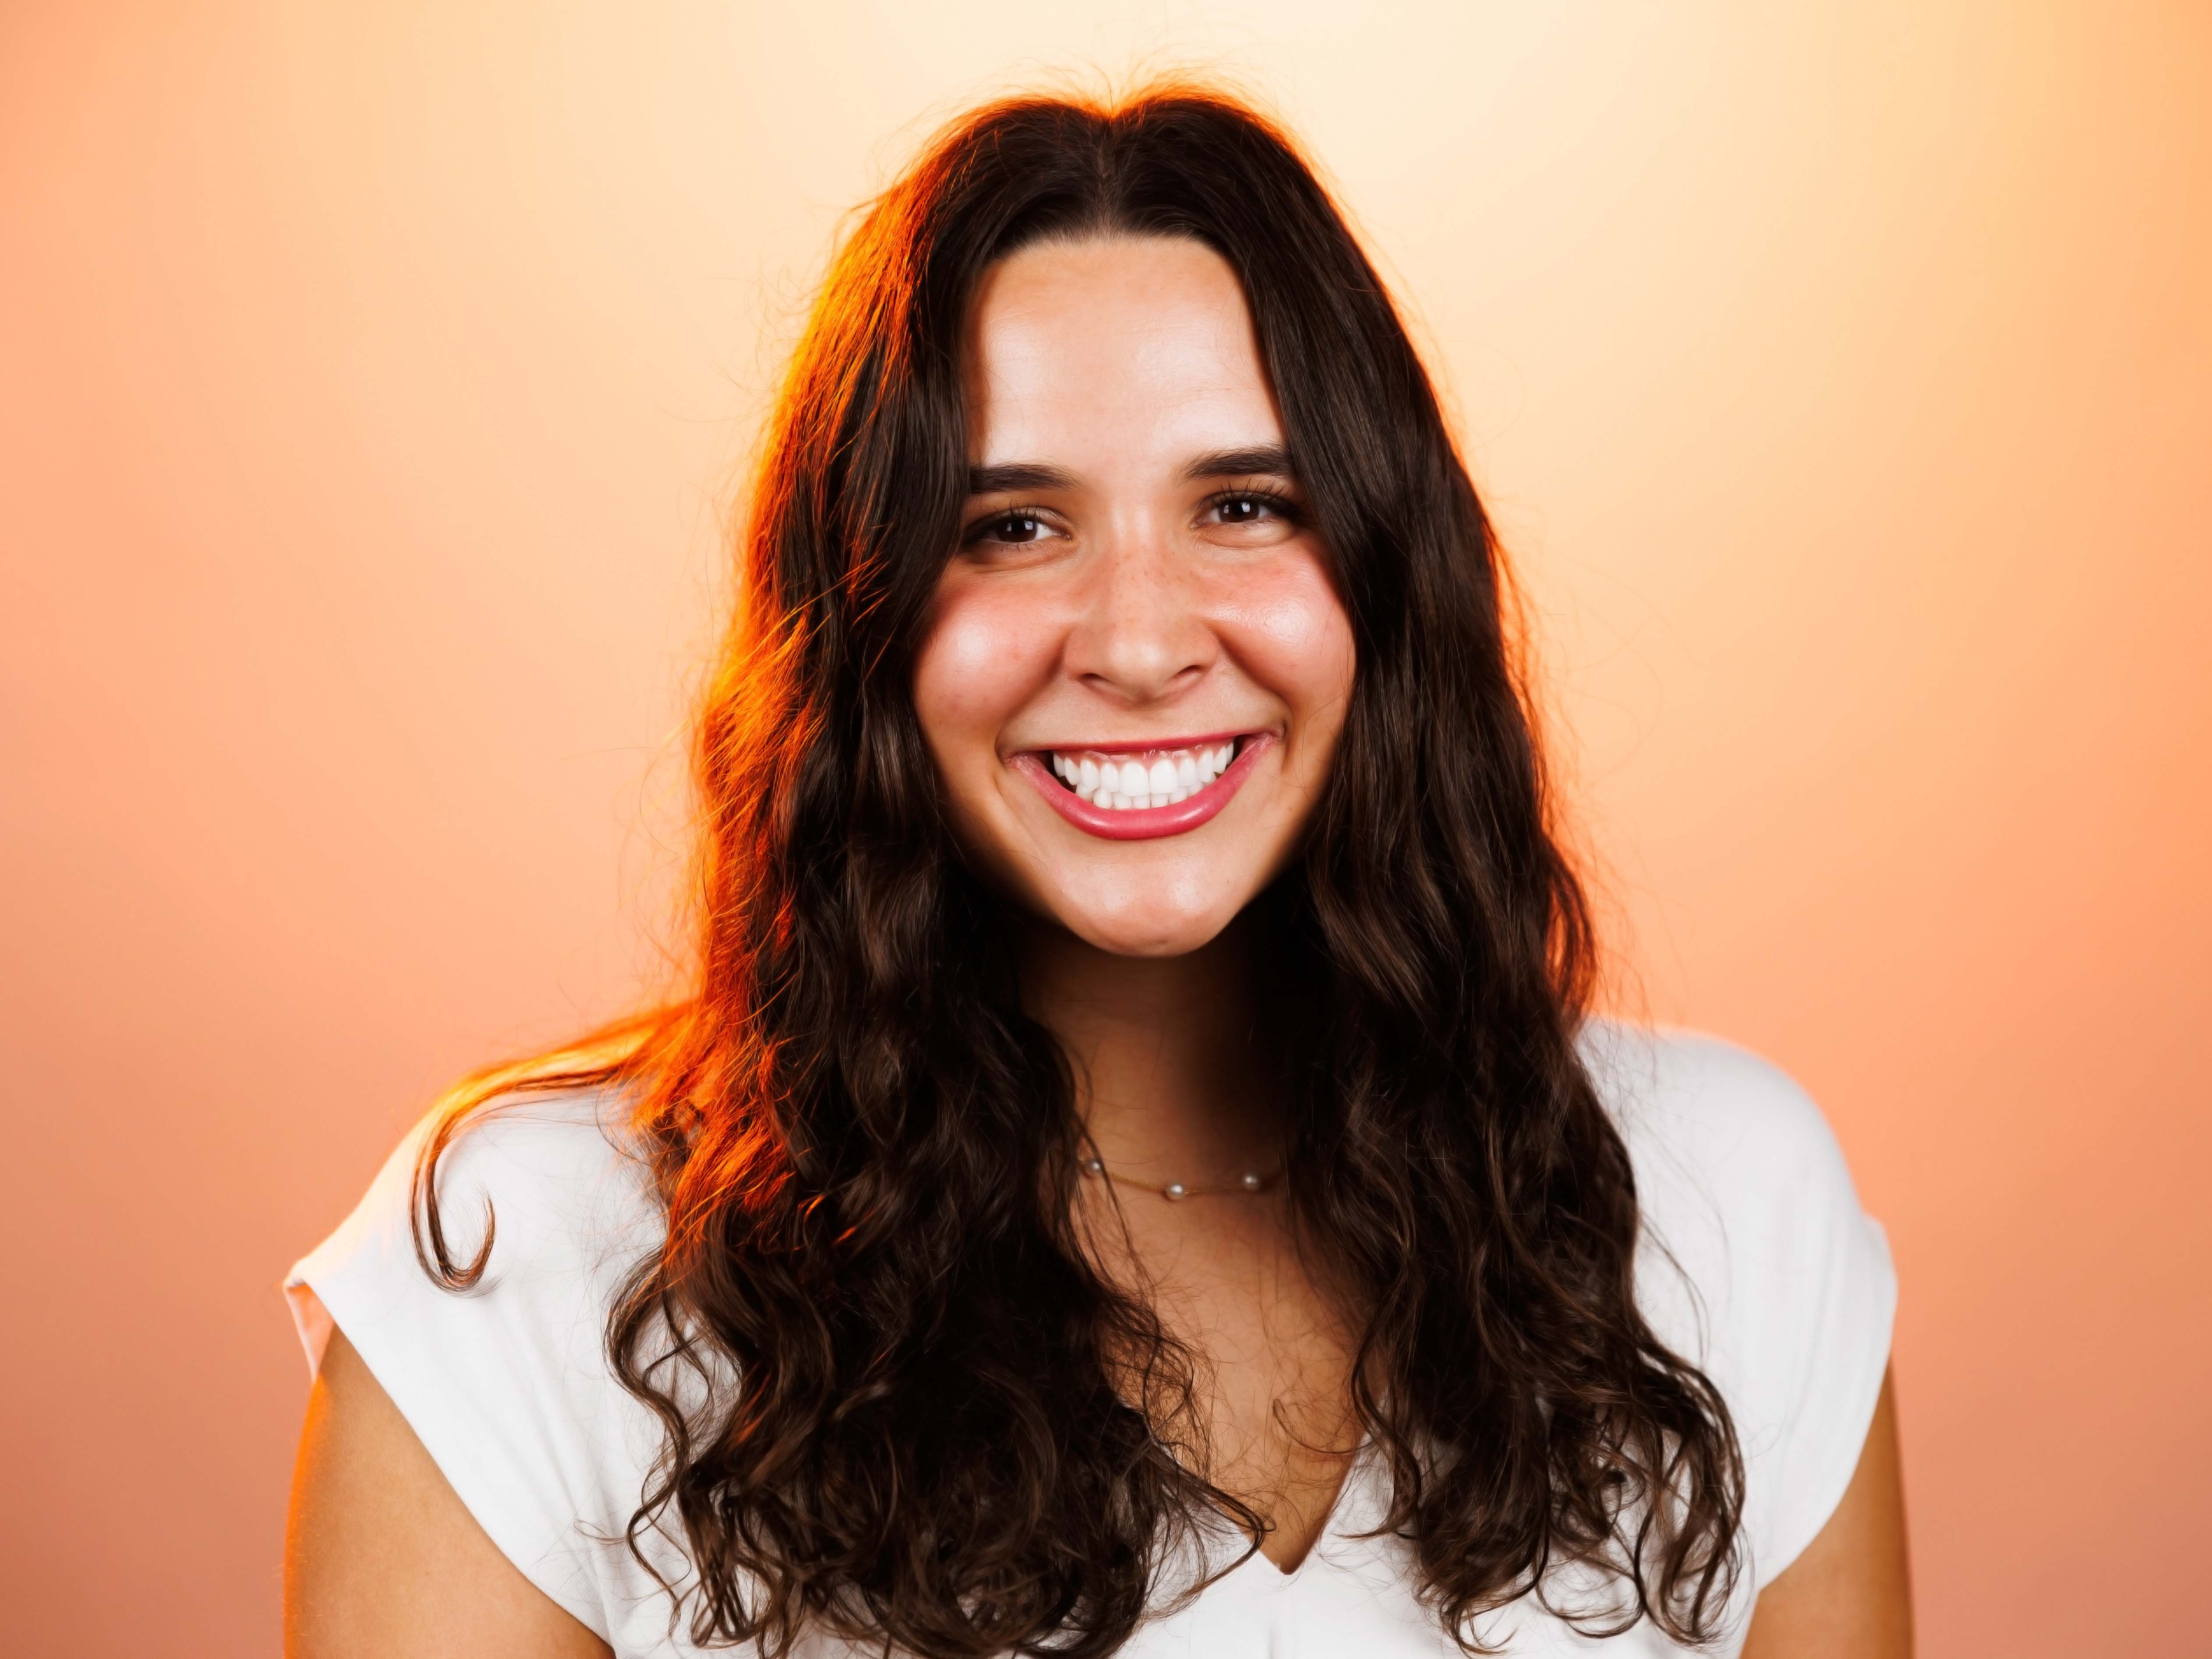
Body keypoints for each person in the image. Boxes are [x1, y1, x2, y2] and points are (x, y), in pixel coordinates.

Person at [283, 86, 1908, 1658]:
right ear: (864, 622)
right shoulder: (525, 1263)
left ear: (1387, 586)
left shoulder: (1727, 1202)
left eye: (1246, 503)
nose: (1136, 643)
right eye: (1010, 527)